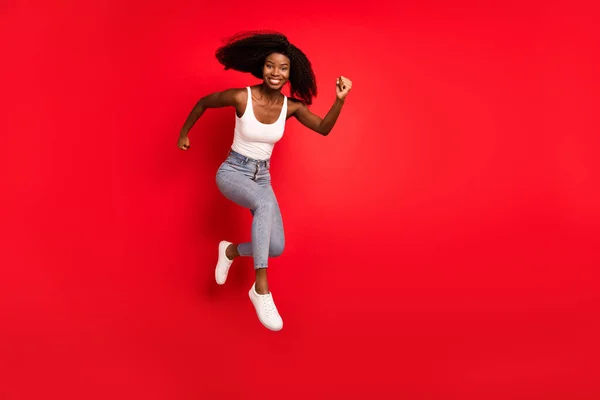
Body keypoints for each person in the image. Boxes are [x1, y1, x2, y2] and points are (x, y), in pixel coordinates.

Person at [177, 31, 352, 331]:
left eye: (283, 68)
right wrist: (184, 133)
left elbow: (323, 128)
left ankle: (229, 251)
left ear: (289, 73)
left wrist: (339, 101)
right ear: (262, 67)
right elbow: (204, 102)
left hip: (263, 176)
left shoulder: (291, 108)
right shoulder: (241, 97)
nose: (276, 72)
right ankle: (261, 290)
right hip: (233, 171)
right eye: (271, 66)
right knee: (261, 204)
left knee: (276, 246)